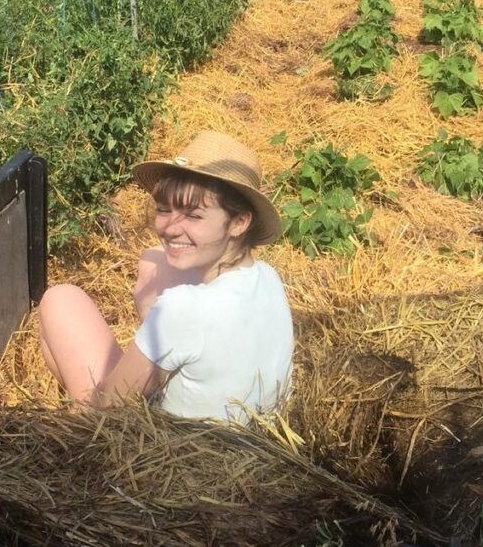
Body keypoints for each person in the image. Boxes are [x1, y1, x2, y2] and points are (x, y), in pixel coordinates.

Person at [38, 131, 293, 423]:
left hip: (168, 455)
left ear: (239, 222)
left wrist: (157, 320)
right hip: (248, 448)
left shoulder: (183, 309)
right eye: (163, 209)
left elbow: (105, 408)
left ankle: (73, 428)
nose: (169, 228)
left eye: (193, 216)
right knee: (153, 260)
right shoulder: (269, 278)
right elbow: (155, 258)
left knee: (60, 300)